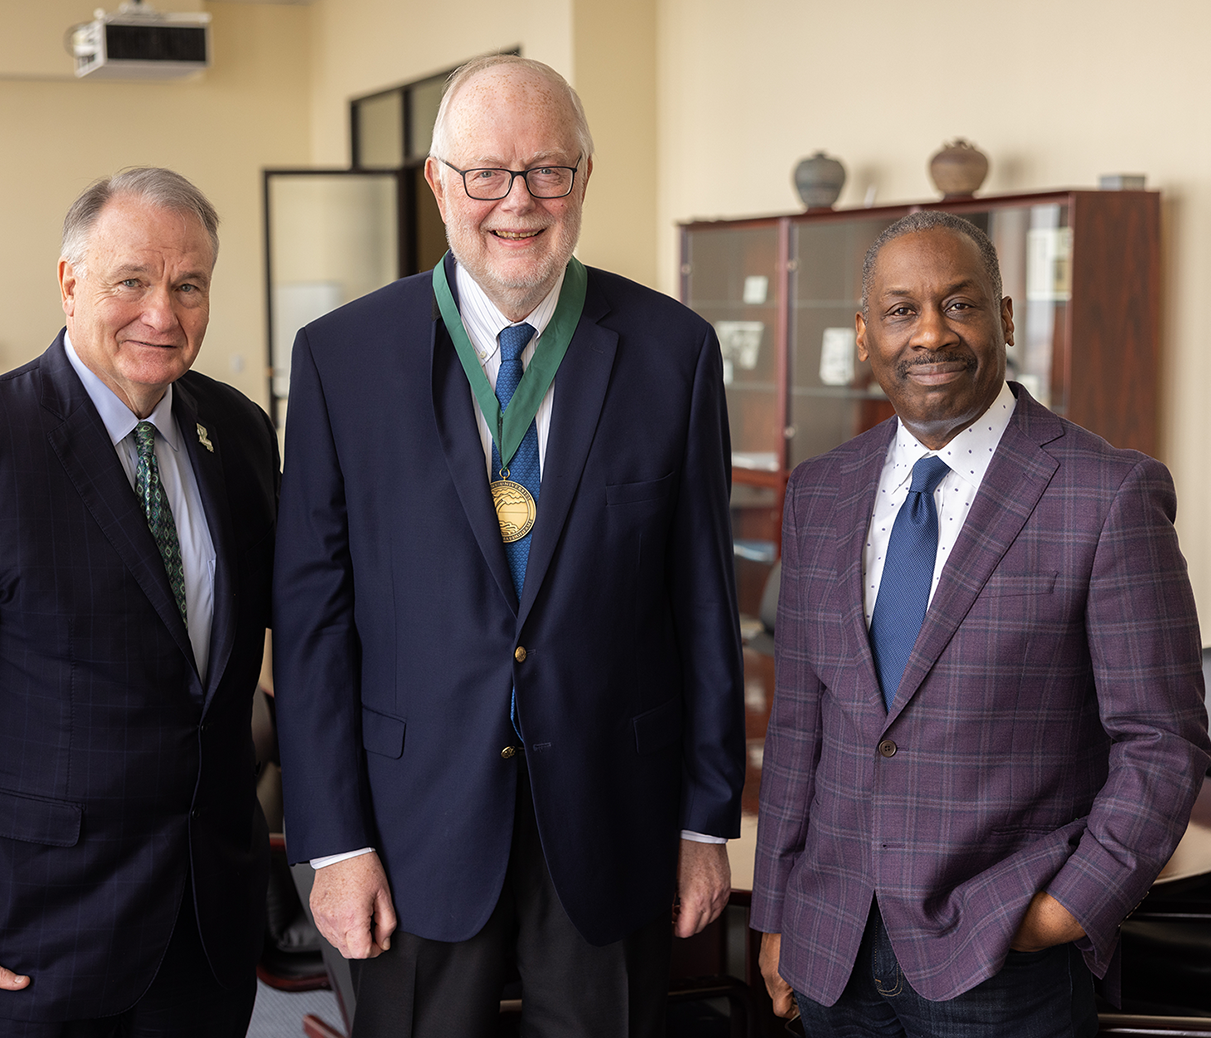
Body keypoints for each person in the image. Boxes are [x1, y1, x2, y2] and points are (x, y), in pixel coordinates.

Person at [273, 55, 745, 1035]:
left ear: (582, 178)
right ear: (439, 184)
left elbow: (702, 605)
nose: (517, 202)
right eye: (486, 173)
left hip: (614, 817)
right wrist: (331, 843)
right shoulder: (340, 359)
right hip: (409, 826)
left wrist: (705, 821)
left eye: (548, 170)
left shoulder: (673, 352)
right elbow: (313, 624)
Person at [753, 210, 1211, 1036]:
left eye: (959, 304)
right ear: (864, 335)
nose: (930, 333)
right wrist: (778, 910)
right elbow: (799, 723)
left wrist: (1069, 908)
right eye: (901, 311)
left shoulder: (1106, 494)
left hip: (1001, 957)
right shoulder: (820, 491)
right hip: (833, 948)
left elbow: (1162, 741)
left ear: (1003, 318)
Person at [0, 167, 280, 1038]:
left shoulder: (234, 430)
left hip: (206, 922)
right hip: (37, 938)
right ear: (69, 281)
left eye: (188, 285)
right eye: (132, 281)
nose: (163, 312)